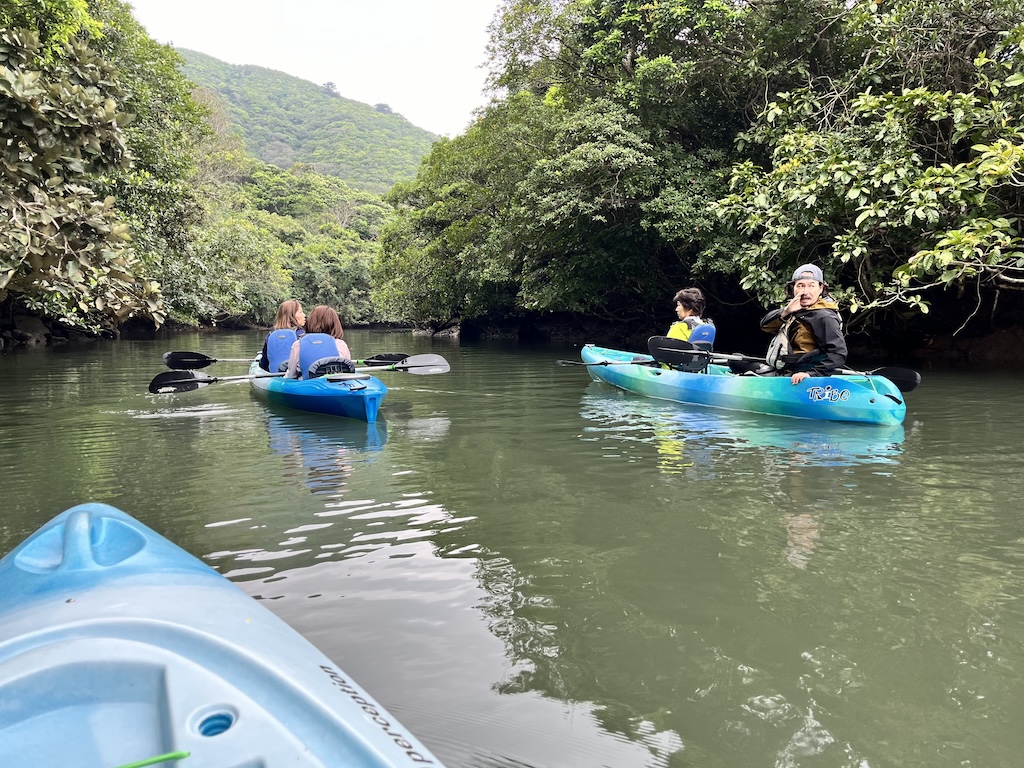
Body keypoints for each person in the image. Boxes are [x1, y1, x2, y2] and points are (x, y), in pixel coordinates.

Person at [759, 264, 847, 385]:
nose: (805, 292)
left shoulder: (825, 317)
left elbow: (838, 353)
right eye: (800, 286)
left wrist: (811, 374)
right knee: (737, 361)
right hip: (784, 369)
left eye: (811, 286)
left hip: (802, 376)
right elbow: (765, 326)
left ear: (820, 288)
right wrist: (786, 311)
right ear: (793, 288)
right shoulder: (795, 309)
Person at [286, 305, 354, 379]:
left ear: (311, 322)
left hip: (308, 387)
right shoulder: (341, 345)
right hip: (337, 386)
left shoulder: (298, 345)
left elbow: (291, 376)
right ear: (336, 324)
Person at [258, 300, 306, 371]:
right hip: (297, 376)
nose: (304, 315)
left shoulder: (271, 335)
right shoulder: (303, 335)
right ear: (291, 316)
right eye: (300, 312)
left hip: (276, 375)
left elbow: (263, 364)